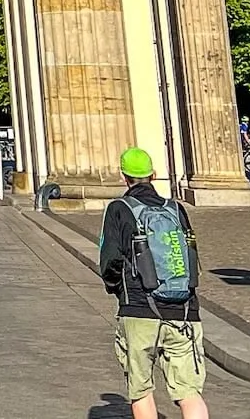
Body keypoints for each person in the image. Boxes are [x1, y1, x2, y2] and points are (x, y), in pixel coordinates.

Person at [99, 147, 207, 419]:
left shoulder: (118, 209)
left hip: (138, 309)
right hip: (184, 310)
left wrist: (117, 290)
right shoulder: (176, 208)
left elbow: (110, 261)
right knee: (189, 392)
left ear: (124, 177)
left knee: (141, 389)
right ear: (153, 175)